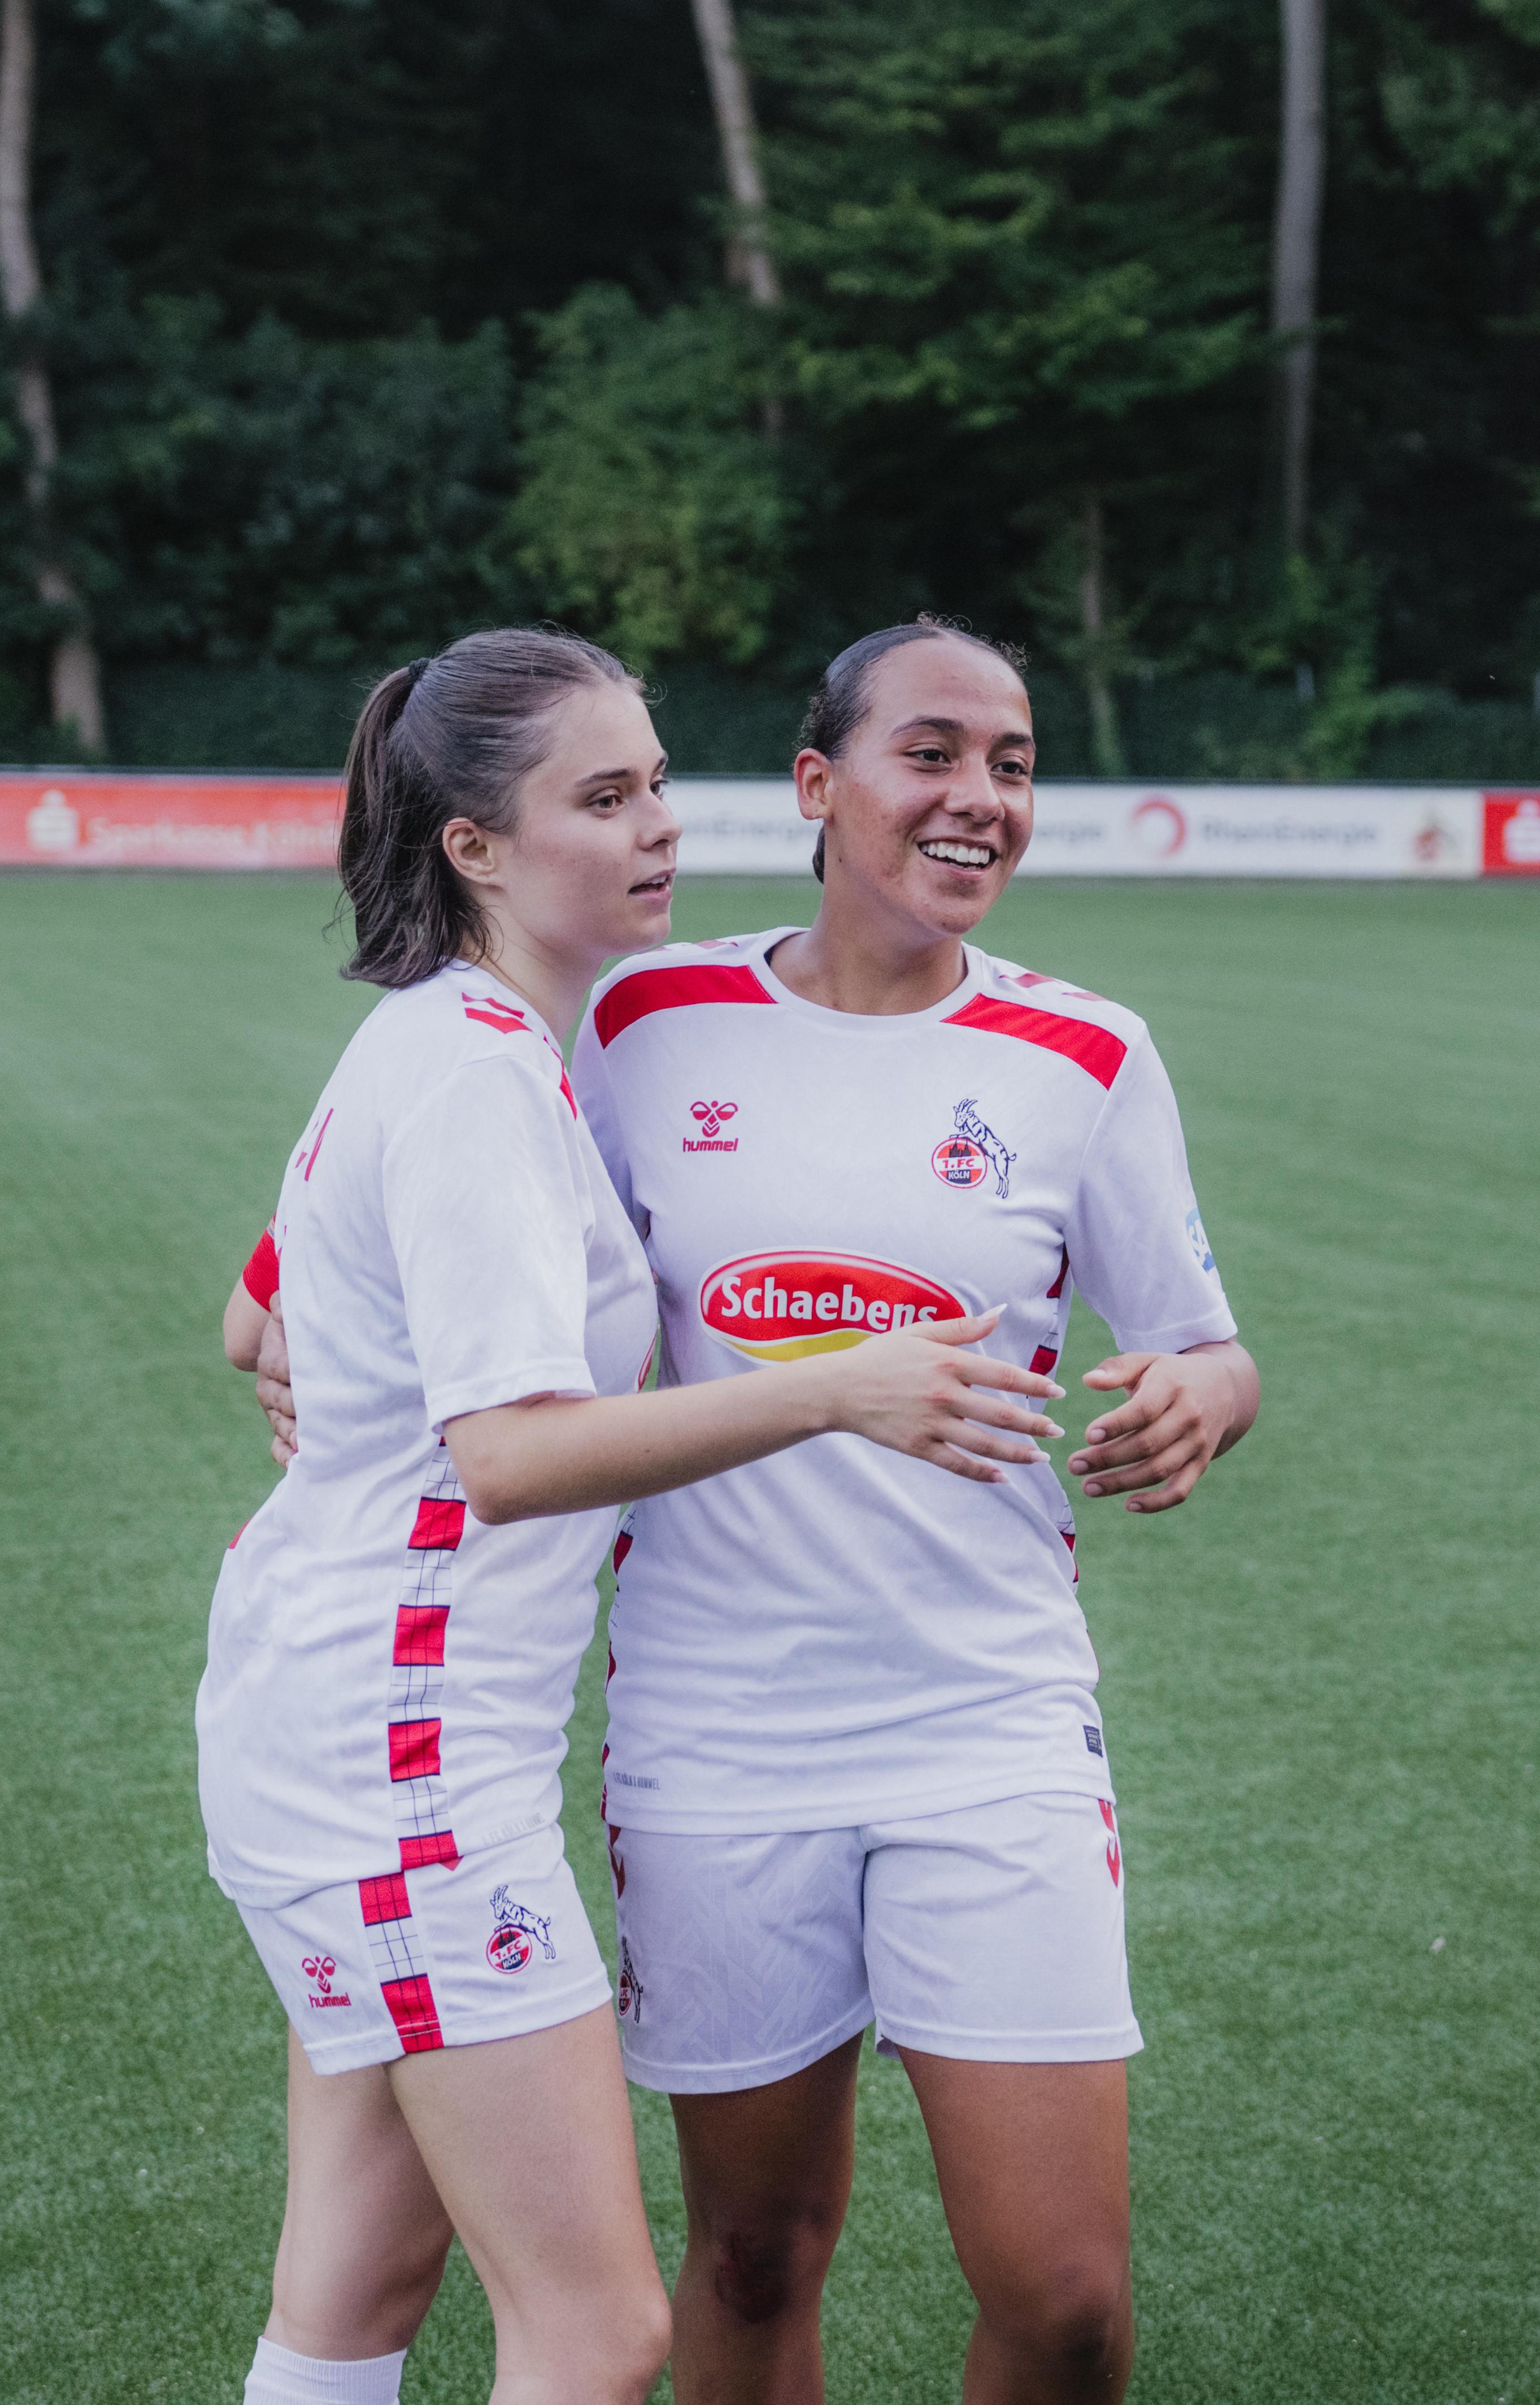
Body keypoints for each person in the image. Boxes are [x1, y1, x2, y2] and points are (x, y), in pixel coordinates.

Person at [203, 625, 1063, 2405]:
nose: (660, 824)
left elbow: (249, 1313)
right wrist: (838, 1386)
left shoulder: (476, 1038)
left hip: (356, 1729)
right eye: (602, 797)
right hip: (404, 1759)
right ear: (475, 846)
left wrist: (317, 1351)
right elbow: (511, 1453)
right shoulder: (473, 1077)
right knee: (599, 2330)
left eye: (659, 781)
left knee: (359, 2278)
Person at [561, 617, 1261, 2405]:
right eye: (931, 752)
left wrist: (1204, 1394)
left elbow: (1206, 1339)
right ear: (820, 783)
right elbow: (513, 1271)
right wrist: (293, 1317)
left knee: (1067, 2298)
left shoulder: (1084, 1051)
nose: (978, 796)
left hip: (987, 1714)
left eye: (1012, 763)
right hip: (716, 1723)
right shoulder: (643, 1021)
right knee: (754, 2250)